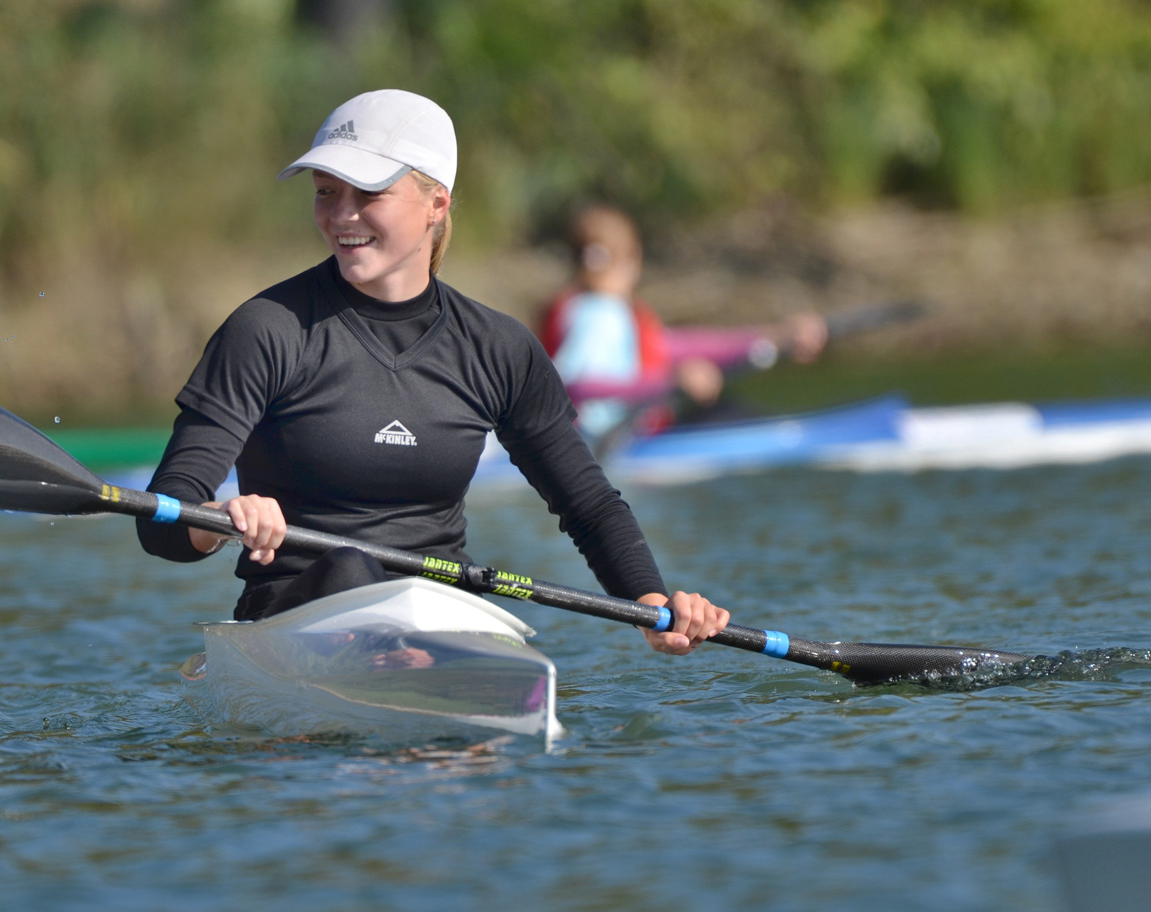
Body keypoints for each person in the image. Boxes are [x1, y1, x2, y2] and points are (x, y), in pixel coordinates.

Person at [137, 89, 726, 655]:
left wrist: (652, 606)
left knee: (423, 613)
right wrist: (217, 519)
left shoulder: (498, 348)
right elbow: (162, 516)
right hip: (294, 622)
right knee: (349, 567)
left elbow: (589, 505)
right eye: (325, 192)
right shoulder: (268, 330)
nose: (342, 215)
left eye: (367, 194)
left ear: (436, 203)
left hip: (439, 619)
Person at [539, 205, 828, 440]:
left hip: (625, 436)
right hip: (605, 443)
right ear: (633, 258)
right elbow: (573, 382)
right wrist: (667, 383)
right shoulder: (599, 314)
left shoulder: (597, 310)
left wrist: (773, 337)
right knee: (730, 414)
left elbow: (680, 345)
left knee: (726, 410)